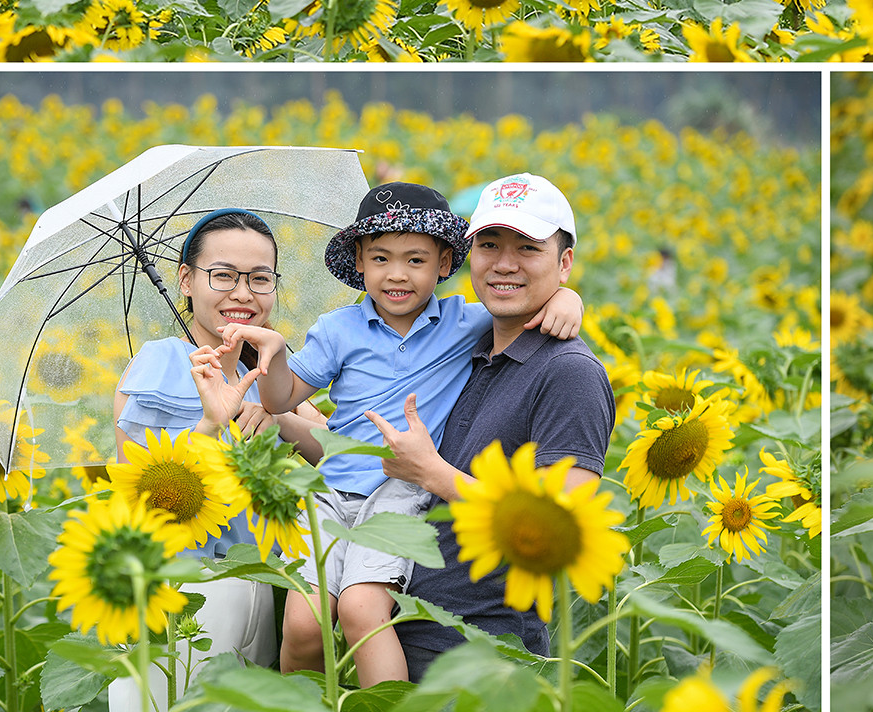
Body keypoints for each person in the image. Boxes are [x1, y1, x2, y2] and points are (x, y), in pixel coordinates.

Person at [221, 183, 583, 686]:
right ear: (360, 263)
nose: (397, 274)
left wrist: (568, 297)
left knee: (362, 609)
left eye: (415, 259)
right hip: (329, 491)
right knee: (303, 620)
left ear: (442, 264)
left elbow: (522, 304)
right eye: (381, 259)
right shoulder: (338, 329)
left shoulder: (466, 321)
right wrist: (274, 355)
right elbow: (280, 399)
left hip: (401, 487)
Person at [374, 175, 615, 679]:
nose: (504, 263)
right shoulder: (465, 347)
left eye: (527, 248)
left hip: (485, 651)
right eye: (488, 245)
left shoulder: (568, 372)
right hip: (406, 633)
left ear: (564, 263)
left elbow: (558, 521)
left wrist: (432, 474)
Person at [108, 210, 330, 712]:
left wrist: (279, 420)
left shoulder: (269, 367)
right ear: (186, 280)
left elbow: (337, 454)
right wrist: (211, 423)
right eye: (223, 275)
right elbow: (141, 495)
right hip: (180, 590)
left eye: (260, 278)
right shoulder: (158, 363)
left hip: (264, 583)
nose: (243, 294)